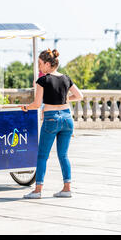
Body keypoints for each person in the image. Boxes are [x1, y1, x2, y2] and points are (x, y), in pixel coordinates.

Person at [22, 49, 83, 199]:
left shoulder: (43, 80)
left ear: (48, 64)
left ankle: (38, 190)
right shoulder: (66, 78)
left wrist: (25, 107)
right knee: (63, 155)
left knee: (42, 156)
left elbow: (37, 104)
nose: (38, 67)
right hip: (67, 119)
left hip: (51, 119)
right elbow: (79, 96)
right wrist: (66, 98)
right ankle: (67, 188)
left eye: (40, 64)